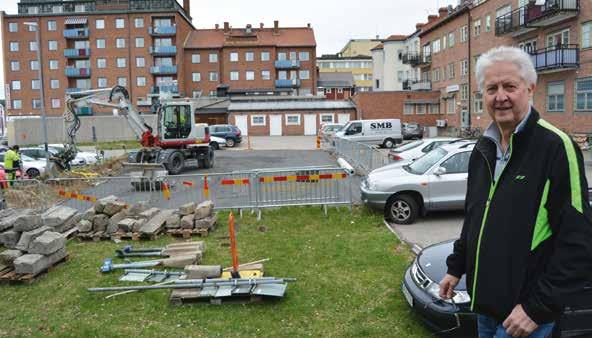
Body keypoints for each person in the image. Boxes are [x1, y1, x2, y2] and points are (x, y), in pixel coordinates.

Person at [439, 46, 592, 338]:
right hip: (485, 308)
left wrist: (537, 308)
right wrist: (455, 267)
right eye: (491, 88)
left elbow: (579, 241)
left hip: (525, 317)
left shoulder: (556, 147)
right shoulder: (483, 148)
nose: (500, 97)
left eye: (510, 86)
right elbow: (474, 217)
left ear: (530, 89)